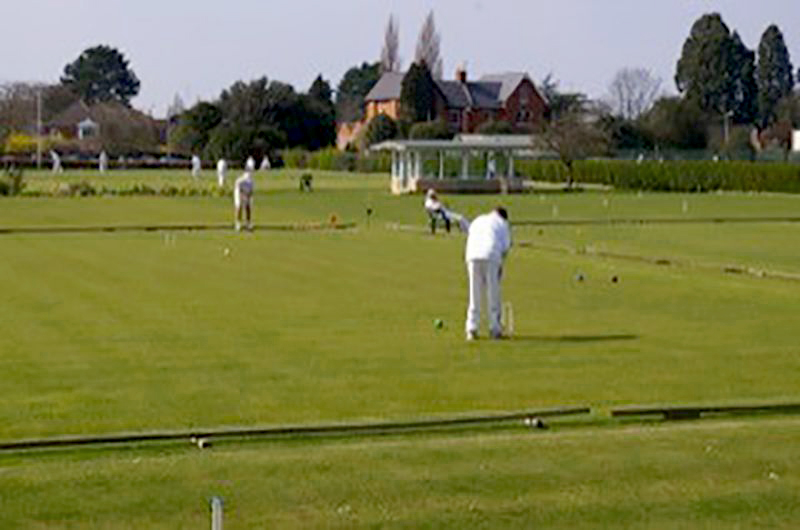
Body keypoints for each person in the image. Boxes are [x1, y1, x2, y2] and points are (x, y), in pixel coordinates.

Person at [464, 207, 512, 341]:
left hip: (472, 255)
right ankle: (495, 329)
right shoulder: (502, 224)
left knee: (475, 293)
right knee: (493, 293)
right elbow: (505, 247)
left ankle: (471, 329)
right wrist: (500, 266)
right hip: (491, 254)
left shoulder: (478, 219)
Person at [233, 165, 254, 231]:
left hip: (246, 194)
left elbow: (251, 192)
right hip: (238, 194)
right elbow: (238, 189)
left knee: (248, 207)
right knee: (239, 206)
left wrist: (248, 198)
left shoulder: (251, 182)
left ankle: (248, 223)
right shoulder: (240, 180)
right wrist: (242, 195)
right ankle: (238, 223)